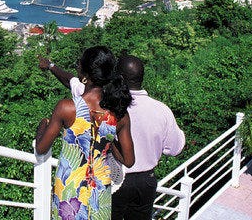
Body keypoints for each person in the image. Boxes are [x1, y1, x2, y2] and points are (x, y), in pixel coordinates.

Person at [40, 53, 185, 220]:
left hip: (108, 181)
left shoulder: (91, 101)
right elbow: (176, 148)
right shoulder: (160, 110)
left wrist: (51, 66)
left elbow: (71, 80)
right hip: (143, 181)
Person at [35, 46, 135, 219]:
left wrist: (43, 125)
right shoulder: (119, 115)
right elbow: (129, 160)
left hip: (69, 188)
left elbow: (41, 148)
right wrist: (107, 141)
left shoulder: (67, 108)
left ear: (85, 75)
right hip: (100, 190)